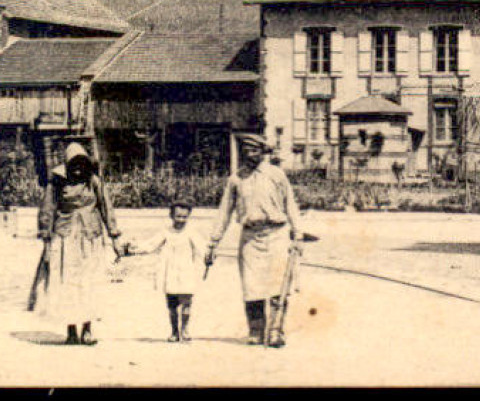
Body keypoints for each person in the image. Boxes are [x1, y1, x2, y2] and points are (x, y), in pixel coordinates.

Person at [205, 134, 303, 347]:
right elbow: (225, 212)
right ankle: (256, 331)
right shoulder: (236, 179)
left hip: (277, 234)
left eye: (254, 150)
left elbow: (291, 205)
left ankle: (276, 330)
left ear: (262, 151)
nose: (250, 155)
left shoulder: (277, 175)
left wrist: (298, 234)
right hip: (250, 237)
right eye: (246, 151)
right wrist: (214, 241)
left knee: (279, 284)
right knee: (252, 285)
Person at [36, 140, 124, 345]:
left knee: (88, 283)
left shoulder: (94, 182)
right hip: (65, 239)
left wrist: (115, 238)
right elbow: (47, 211)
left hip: (90, 238)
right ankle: (71, 331)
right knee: (68, 284)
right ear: (67, 165)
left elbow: (107, 209)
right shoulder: (57, 182)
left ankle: (87, 328)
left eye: (81, 165)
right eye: (73, 165)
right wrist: (47, 242)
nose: (78, 169)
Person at [129, 200, 203, 342]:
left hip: (186, 272)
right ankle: (174, 331)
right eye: (178, 216)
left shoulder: (191, 232)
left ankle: (185, 330)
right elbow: (150, 245)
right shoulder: (166, 232)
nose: (181, 220)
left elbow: (202, 247)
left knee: (187, 303)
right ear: (171, 216)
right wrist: (133, 249)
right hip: (170, 272)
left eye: (184, 217)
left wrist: (209, 255)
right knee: (172, 305)